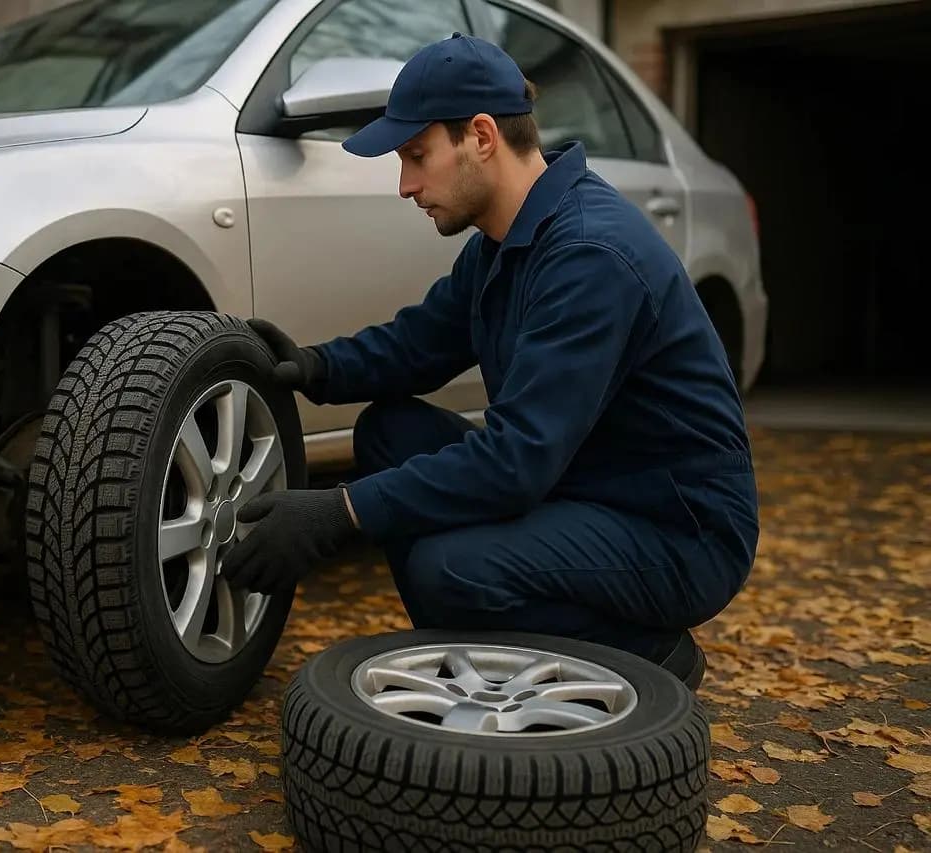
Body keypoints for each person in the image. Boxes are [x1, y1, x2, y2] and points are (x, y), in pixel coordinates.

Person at [220, 32, 759, 686]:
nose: (405, 184)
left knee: (449, 570)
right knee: (388, 431)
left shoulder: (590, 255)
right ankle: (485, 634)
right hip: (584, 483)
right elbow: (422, 342)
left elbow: (516, 461)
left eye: (417, 155)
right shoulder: (507, 241)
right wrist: (314, 367)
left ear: (480, 136)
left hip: (677, 529)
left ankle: (644, 653)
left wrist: (339, 513)